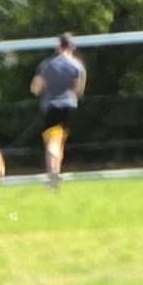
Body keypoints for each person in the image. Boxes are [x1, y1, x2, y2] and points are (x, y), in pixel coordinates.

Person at [32, 32, 86, 180]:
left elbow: (35, 88)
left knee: (52, 141)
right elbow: (79, 90)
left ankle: (52, 173)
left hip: (51, 106)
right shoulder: (77, 66)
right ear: (71, 47)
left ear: (58, 46)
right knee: (60, 140)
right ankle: (56, 172)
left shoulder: (46, 64)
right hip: (69, 106)